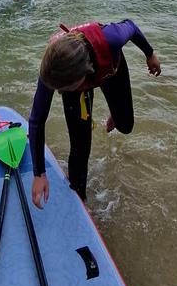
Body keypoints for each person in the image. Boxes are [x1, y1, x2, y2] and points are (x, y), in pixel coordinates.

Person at [28, 20, 162, 207]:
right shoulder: (52, 70)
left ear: (84, 76)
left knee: (125, 125)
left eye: (62, 89)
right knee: (80, 145)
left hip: (109, 68)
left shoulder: (112, 38)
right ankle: (80, 196)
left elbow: (131, 26)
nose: (58, 93)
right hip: (76, 81)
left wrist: (150, 54)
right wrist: (39, 174)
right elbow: (36, 120)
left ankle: (115, 111)